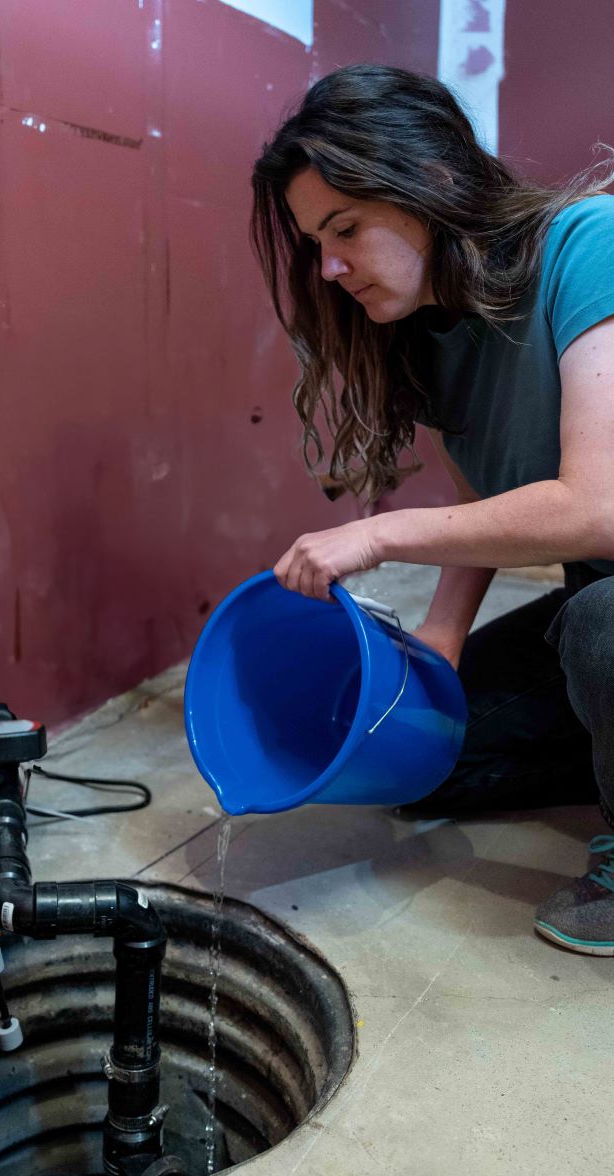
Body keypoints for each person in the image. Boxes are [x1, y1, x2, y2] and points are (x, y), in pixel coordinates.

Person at [250, 63, 614, 956]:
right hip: (591, 612)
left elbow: (599, 506)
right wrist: (438, 655)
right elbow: (482, 505)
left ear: (435, 183)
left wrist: (377, 535)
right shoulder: (431, 336)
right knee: (423, 760)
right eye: (314, 244)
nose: (330, 268)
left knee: (599, 627)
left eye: (346, 230)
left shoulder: (590, 243)